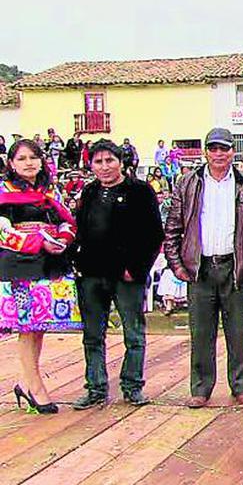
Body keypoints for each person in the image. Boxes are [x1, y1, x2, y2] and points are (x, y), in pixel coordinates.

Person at [163, 127, 243, 408]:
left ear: (232, 152)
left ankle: (241, 386)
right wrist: (176, 263)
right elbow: (174, 226)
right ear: (205, 152)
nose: (218, 154)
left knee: (239, 332)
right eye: (213, 149)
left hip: (235, 266)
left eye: (224, 148)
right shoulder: (188, 183)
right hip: (199, 268)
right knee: (201, 332)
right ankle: (200, 387)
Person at [71, 140, 164, 409]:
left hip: (126, 276)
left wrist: (134, 268)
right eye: (98, 162)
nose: (105, 167)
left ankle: (132, 386)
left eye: (109, 160)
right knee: (92, 335)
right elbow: (81, 230)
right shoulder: (89, 192)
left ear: (121, 162)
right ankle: (96, 387)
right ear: (91, 165)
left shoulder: (140, 191)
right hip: (90, 275)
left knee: (133, 333)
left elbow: (153, 235)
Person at [0, 139, 80, 414]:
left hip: (48, 263)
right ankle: (36, 387)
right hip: (19, 264)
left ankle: (25, 382)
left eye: (33, 157)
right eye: (21, 158)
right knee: (25, 327)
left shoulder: (49, 190)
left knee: (39, 324)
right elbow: (3, 231)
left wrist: (62, 238)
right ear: (11, 163)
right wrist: (36, 241)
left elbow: (67, 220)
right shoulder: (3, 193)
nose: (28, 163)